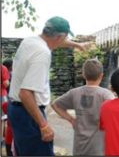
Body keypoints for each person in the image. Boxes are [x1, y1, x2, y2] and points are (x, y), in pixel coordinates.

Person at [7, 16, 86, 156]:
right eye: (65, 37)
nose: (64, 40)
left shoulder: (30, 41)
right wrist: (43, 125)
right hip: (28, 112)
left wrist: (76, 45)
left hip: (16, 110)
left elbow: (57, 41)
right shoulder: (43, 53)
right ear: (59, 37)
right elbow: (25, 93)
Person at [51, 58, 114, 155]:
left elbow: (55, 104)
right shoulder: (106, 95)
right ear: (101, 76)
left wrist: (71, 119)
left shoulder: (74, 93)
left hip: (79, 149)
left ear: (83, 75)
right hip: (99, 149)